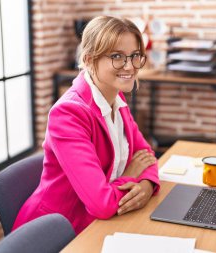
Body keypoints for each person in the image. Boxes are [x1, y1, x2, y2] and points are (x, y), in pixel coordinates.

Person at [12, 16, 160, 235]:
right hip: (55, 233)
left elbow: (146, 155)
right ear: (90, 59)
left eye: (135, 56)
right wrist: (130, 174)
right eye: (117, 56)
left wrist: (146, 187)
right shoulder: (68, 114)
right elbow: (101, 204)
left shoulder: (116, 98)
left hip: (100, 224)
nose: (130, 66)